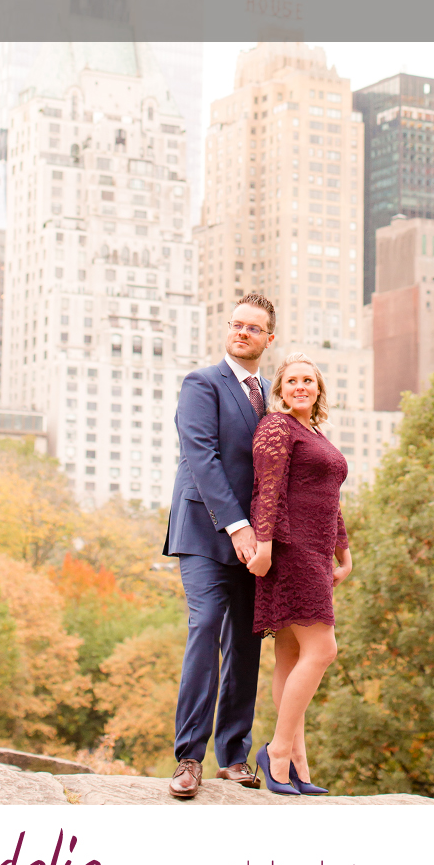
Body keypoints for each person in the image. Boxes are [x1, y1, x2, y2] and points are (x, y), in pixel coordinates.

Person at [162, 293, 276, 799]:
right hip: (206, 531)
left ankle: (233, 756)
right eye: (236, 324)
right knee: (206, 625)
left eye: (253, 328)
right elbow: (202, 458)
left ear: (269, 339)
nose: (242, 332)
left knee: (247, 642)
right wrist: (236, 526)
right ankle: (189, 758)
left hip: (258, 544)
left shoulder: (273, 393)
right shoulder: (201, 384)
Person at [247, 353, 352, 795]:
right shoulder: (277, 427)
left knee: (290, 657)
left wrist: (343, 551)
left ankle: (298, 766)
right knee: (322, 649)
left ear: (318, 388)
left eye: (308, 380)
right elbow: (267, 488)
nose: (300, 386)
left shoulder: (315, 433)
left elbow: (330, 498)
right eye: (292, 380)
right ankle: (276, 752)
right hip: (291, 550)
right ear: (281, 389)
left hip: (317, 549)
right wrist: (265, 545)